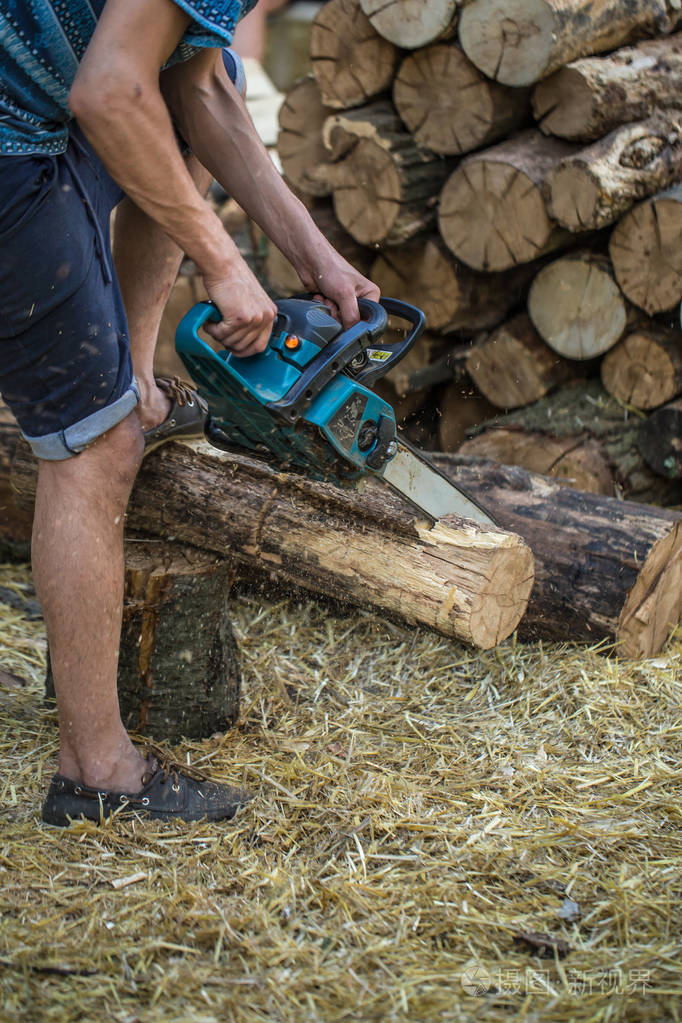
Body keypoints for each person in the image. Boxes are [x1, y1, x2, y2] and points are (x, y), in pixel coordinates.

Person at [0, 0, 379, 826]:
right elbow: (109, 92)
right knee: (94, 455)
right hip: (9, 141)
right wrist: (221, 262)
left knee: (207, 78)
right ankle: (96, 774)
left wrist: (317, 259)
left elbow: (199, 84)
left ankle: (132, 384)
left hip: (42, 101)